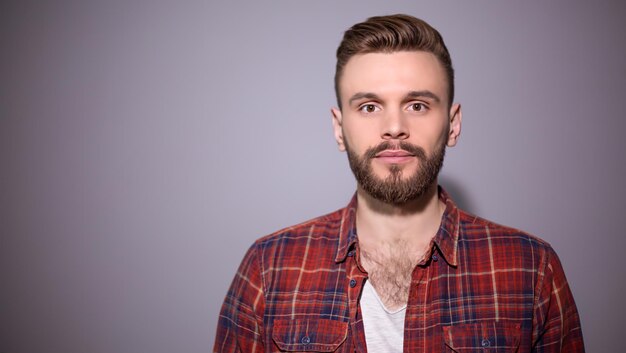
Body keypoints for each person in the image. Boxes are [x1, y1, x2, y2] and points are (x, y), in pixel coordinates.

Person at [213, 14, 584, 352]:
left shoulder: (532, 269)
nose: (394, 127)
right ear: (339, 128)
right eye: (369, 106)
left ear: (452, 124)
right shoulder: (269, 267)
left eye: (417, 105)